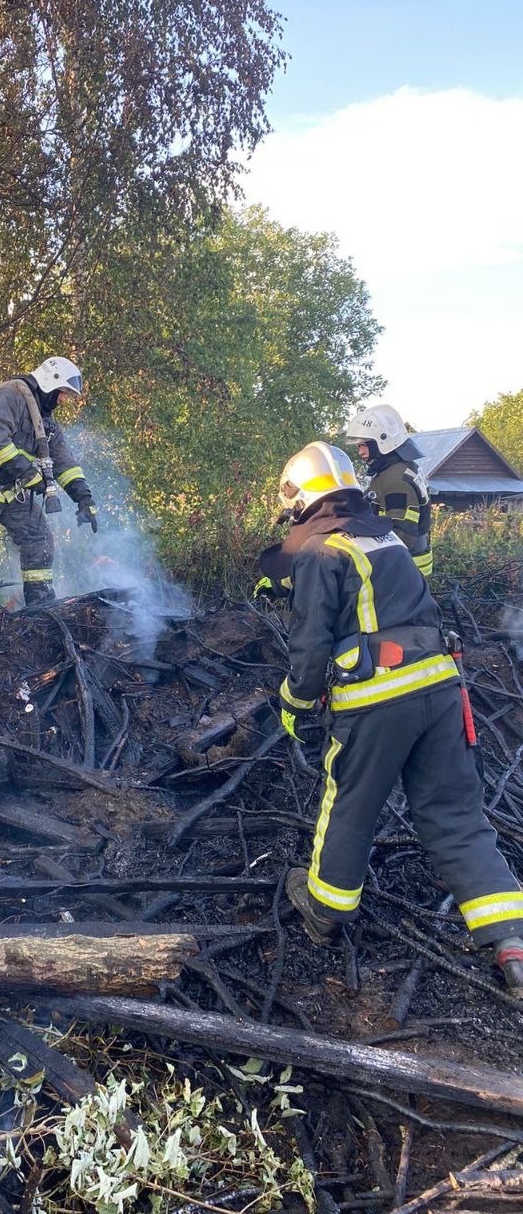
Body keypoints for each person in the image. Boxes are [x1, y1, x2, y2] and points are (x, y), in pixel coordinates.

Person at [258, 440, 523, 996]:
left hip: (378, 697)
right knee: (456, 817)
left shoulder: (321, 549)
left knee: (350, 800)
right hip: (442, 687)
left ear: (303, 496)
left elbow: (309, 649)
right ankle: (510, 941)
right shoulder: (384, 536)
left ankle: (324, 909)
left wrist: (294, 704)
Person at [0, 356, 97, 614]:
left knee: (39, 539)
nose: (63, 400)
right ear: (50, 382)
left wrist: (83, 497)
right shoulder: (8, 396)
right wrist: (30, 476)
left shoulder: (45, 421)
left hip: (12, 492)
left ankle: (40, 606)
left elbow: (63, 462)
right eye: (63, 393)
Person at [344, 403, 433, 577]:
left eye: (364, 445)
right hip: (405, 570)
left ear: (383, 441)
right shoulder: (400, 468)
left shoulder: (396, 481)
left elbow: (403, 535)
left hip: (402, 573)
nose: (360, 452)